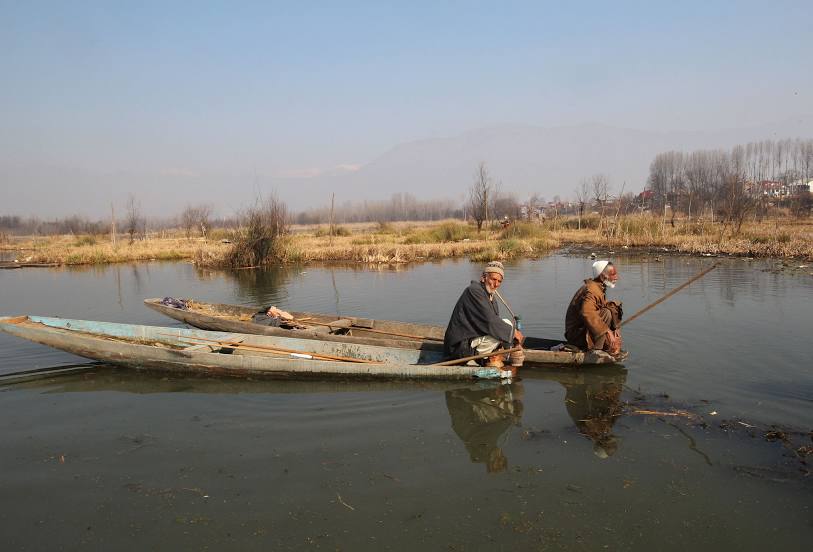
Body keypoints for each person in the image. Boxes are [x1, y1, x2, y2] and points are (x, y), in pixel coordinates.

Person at [443, 261, 524, 368]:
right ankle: (477, 358)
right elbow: (490, 321)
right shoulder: (473, 291)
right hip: (459, 348)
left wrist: (509, 341)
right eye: (493, 279)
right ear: (483, 277)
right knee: (506, 327)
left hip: (473, 341)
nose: (496, 284)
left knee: (505, 327)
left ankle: (493, 354)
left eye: (499, 281)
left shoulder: (490, 297)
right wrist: (513, 332)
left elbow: (493, 323)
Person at [564, 260, 624, 357]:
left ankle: (601, 344)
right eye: (613, 274)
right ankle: (597, 349)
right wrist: (607, 331)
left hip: (581, 331)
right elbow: (587, 312)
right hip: (575, 336)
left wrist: (615, 327)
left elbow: (602, 307)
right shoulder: (592, 290)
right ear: (602, 276)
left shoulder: (598, 287)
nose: (616, 277)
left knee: (611, 308)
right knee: (607, 313)